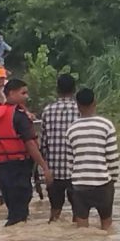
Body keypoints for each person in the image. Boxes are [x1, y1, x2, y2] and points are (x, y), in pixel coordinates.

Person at [0, 79, 54, 226]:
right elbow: (31, 144)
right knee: (20, 212)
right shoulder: (19, 116)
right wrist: (44, 167)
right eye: (23, 93)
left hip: (1, 169)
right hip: (19, 169)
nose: (26, 96)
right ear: (11, 93)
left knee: (13, 212)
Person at [65, 88, 117, 230]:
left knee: (82, 229)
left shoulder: (71, 129)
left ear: (77, 105)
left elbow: (70, 162)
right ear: (95, 102)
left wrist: (74, 177)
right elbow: (112, 157)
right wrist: (113, 178)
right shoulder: (106, 125)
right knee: (107, 227)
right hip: (103, 183)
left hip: (80, 184)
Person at [40, 74, 79, 222]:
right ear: (74, 89)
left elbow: (43, 143)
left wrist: (43, 169)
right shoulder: (80, 110)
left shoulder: (47, 111)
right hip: (76, 171)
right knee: (79, 214)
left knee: (55, 211)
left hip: (53, 171)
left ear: (57, 89)